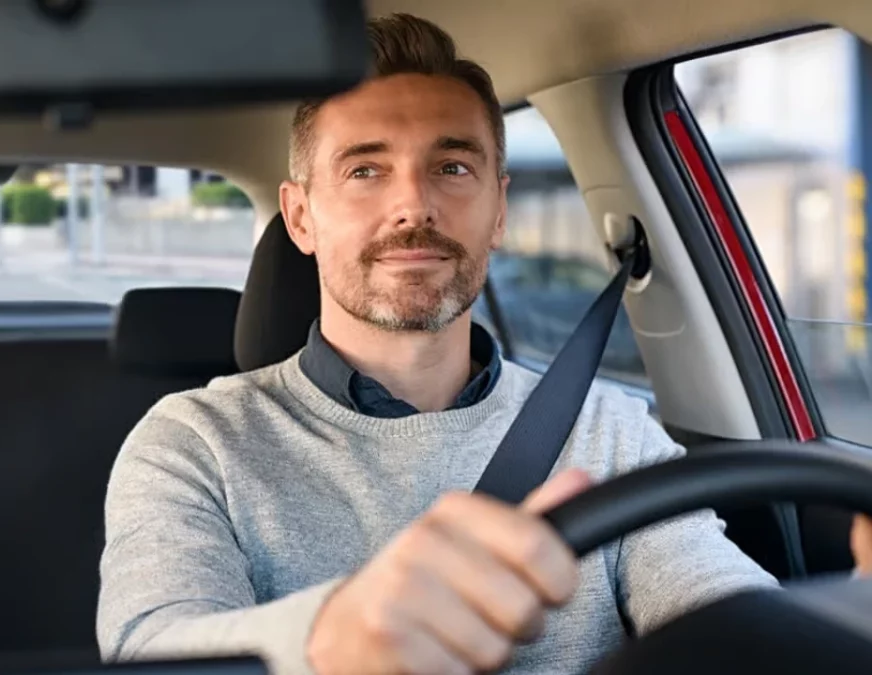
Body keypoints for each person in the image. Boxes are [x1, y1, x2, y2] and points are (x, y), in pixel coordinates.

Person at [98, 13, 872, 675]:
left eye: (452, 166)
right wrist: (330, 637)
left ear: (498, 211)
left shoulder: (610, 430)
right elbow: (151, 646)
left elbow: (721, 611)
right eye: (365, 169)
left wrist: (848, 615)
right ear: (301, 217)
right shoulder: (195, 442)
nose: (413, 204)